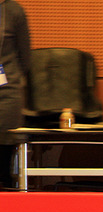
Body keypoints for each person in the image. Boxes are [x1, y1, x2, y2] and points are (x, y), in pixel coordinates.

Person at [0, 0, 30, 190]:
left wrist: (13, 78)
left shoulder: (13, 11)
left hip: (7, 90)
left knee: (4, 149)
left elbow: (25, 57)